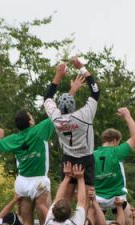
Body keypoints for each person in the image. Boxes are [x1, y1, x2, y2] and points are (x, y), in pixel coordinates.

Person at [44, 58, 99, 199]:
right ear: (73, 106)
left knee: (65, 200)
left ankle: (62, 221)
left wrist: (58, 75)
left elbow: (47, 97)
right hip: (85, 158)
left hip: (68, 159)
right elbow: (95, 92)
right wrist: (82, 68)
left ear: (58, 107)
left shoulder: (56, 118)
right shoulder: (84, 115)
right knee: (87, 201)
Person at [0, 110, 54, 225]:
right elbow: (57, 115)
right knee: (45, 224)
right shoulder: (40, 130)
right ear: (30, 121)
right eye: (31, 116)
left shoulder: (14, 139)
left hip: (22, 184)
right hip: (39, 181)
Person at [93, 107, 135, 220]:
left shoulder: (92, 155)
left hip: (98, 197)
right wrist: (127, 116)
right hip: (117, 196)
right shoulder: (117, 152)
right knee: (129, 224)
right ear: (115, 141)